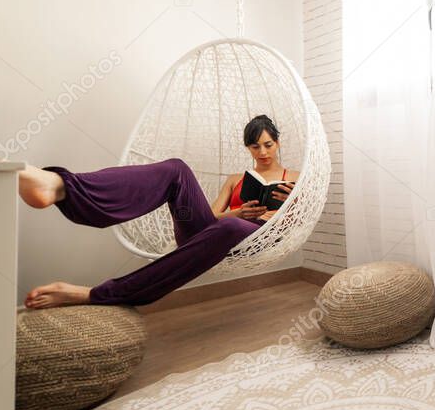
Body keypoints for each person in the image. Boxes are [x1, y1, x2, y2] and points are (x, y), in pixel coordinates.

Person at [17, 114, 300, 308]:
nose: (262, 152)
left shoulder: (297, 178)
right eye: (255, 146)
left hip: (259, 239)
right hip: (214, 234)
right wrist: (237, 214)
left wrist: (290, 207)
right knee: (176, 168)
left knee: (231, 228)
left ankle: (95, 294)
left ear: (278, 143)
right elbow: (211, 220)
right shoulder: (235, 179)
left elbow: (294, 225)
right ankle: (61, 187)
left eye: (268, 144)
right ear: (247, 148)